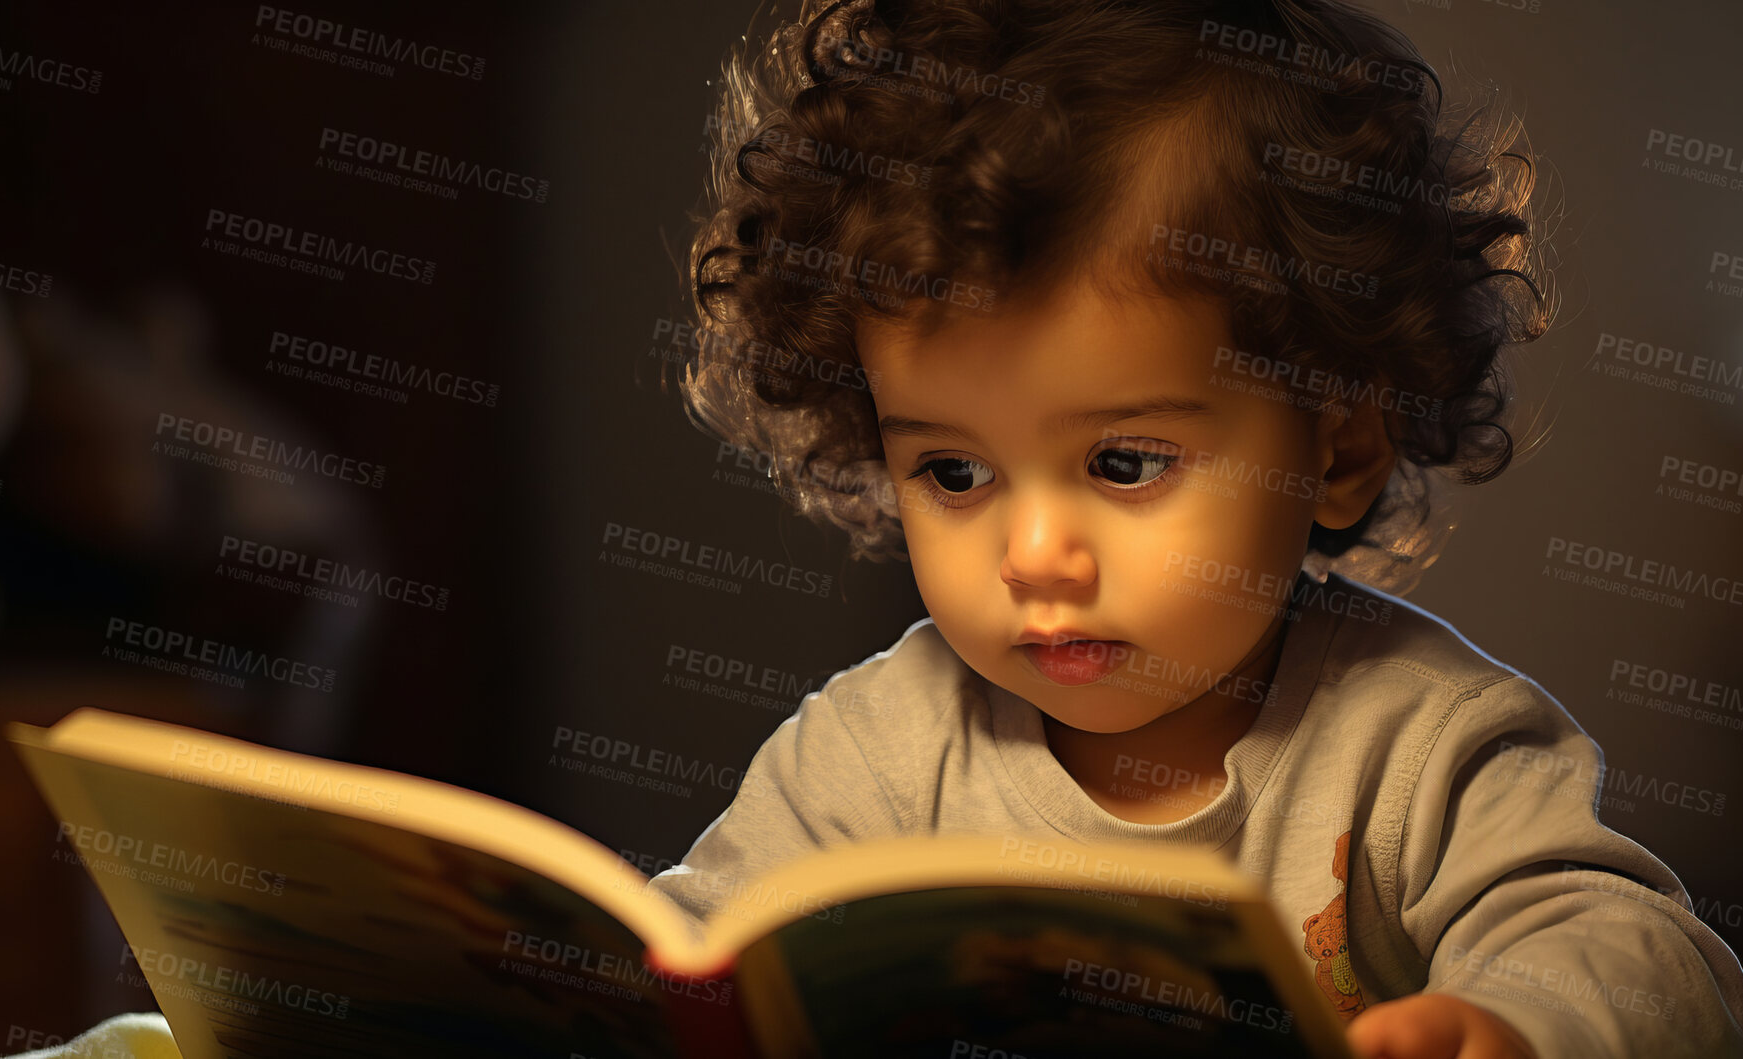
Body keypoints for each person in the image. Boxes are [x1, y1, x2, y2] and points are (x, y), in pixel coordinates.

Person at [645, 1, 1743, 1056]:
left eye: (1122, 463)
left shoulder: (1418, 750)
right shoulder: (872, 757)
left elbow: (1647, 962)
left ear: (1338, 445)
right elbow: (694, 962)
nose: (1033, 558)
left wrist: (1516, 1028)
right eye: (955, 470)